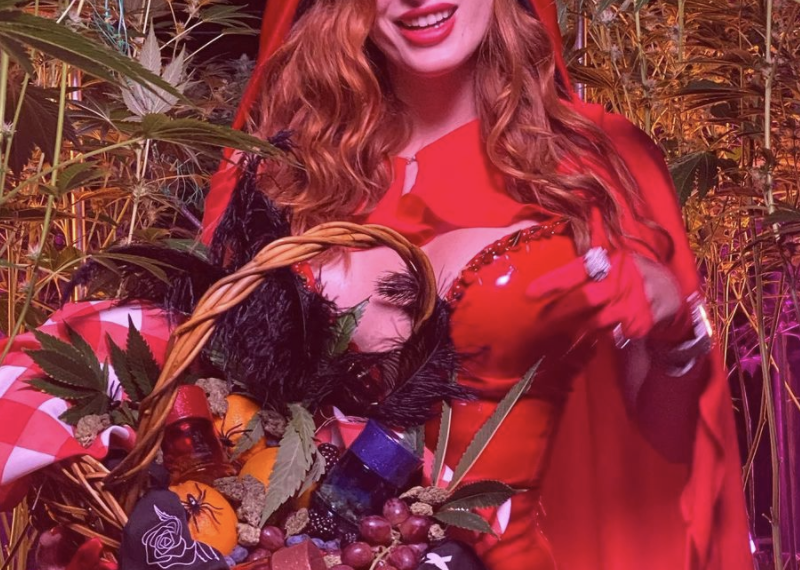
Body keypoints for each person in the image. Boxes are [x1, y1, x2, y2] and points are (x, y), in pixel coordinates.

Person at [0, 1, 753, 569]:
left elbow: (669, 457)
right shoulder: (283, 163)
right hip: (279, 545)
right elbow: (206, 371)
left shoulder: (597, 162)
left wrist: (674, 333)